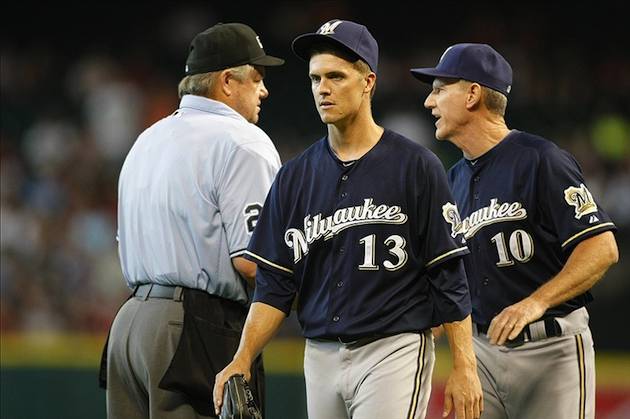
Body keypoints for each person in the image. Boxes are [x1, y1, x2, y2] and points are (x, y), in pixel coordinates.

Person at [213, 20, 483, 419]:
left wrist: (465, 365)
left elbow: (447, 273)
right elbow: (274, 286)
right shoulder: (294, 176)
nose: (323, 88)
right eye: (315, 78)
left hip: (393, 348)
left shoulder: (416, 166)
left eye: (336, 76)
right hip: (319, 353)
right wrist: (242, 357)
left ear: (368, 81)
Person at [410, 43, 619, 419]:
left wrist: (536, 301)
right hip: (481, 353)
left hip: (550, 349)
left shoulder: (540, 159)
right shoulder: (451, 181)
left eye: (439, 89)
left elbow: (602, 248)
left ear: (472, 94)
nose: (429, 102)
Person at [102, 22, 284, 418]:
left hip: (129, 325)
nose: (264, 90)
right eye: (257, 78)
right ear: (227, 82)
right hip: (191, 328)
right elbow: (254, 261)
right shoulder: (243, 140)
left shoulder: (147, 139)